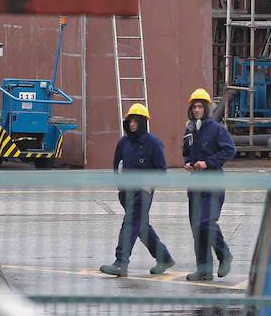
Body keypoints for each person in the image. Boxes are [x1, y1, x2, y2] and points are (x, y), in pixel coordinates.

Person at [99, 103, 175, 277]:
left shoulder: (154, 143)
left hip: (143, 193)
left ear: (143, 122)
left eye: (136, 121)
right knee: (140, 227)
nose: (132, 124)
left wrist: (149, 185)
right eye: (130, 121)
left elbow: (161, 170)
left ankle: (121, 262)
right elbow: (117, 164)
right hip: (126, 192)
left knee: (129, 224)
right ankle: (164, 258)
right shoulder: (123, 142)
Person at [182, 87, 236, 281]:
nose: (197, 110)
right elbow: (186, 151)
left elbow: (230, 150)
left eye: (200, 106)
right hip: (195, 185)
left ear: (206, 108)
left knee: (206, 222)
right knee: (197, 227)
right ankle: (204, 270)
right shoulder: (190, 129)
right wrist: (188, 163)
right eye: (194, 107)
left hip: (213, 183)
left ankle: (224, 254)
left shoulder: (217, 129)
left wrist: (208, 162)